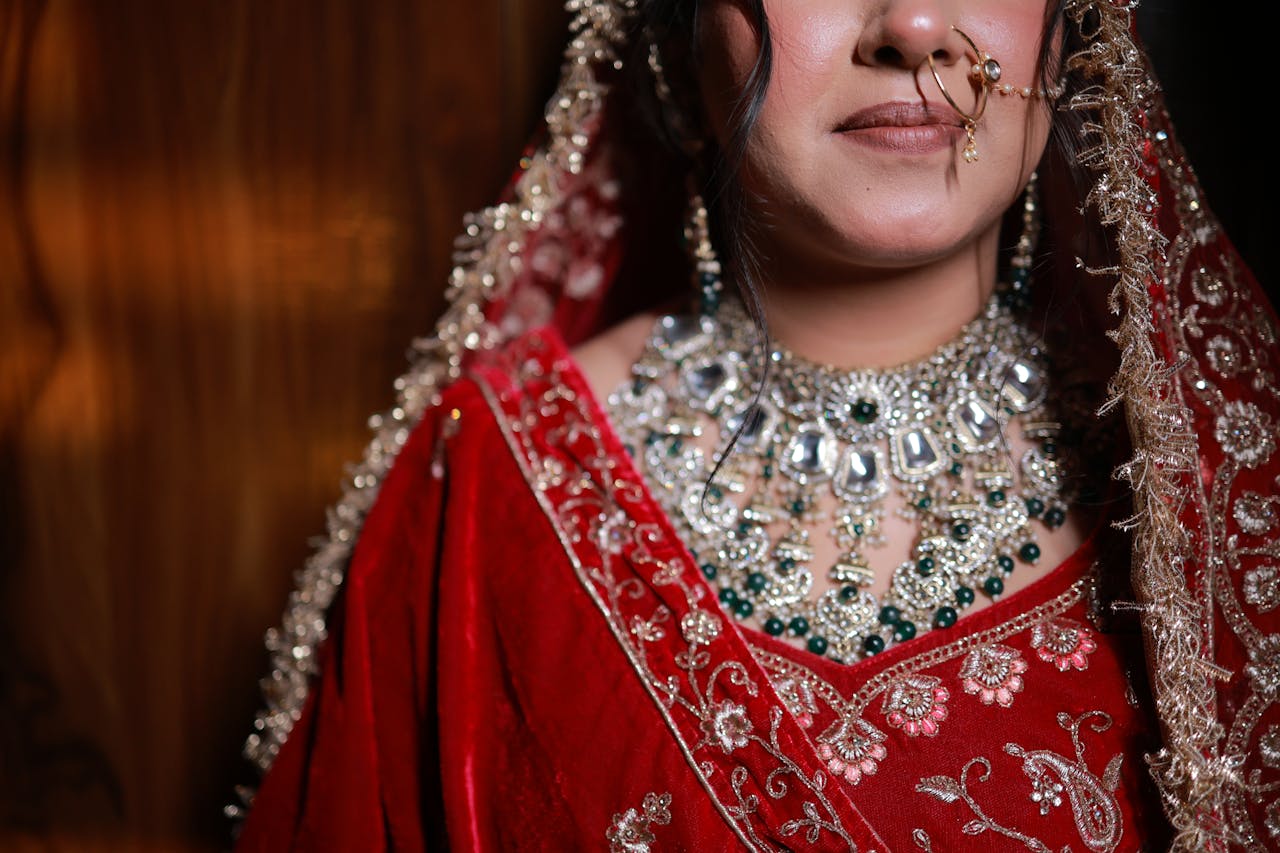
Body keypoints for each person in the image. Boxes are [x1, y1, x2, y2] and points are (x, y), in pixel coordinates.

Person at [230, 0, 1280, 849]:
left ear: (1065, 34)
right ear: (676, 38)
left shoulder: (1226, 506)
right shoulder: (496, 483)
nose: (911, 27)